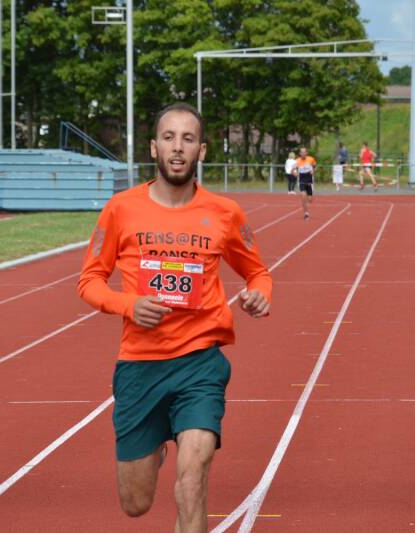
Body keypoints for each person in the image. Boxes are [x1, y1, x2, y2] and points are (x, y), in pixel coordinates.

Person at [77, 102, 272, 533]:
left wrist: (259, 294)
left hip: (200, 363)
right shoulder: (121, 209)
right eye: (169, 138)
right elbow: (89, 281)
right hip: (140, 367)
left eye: (188, 139)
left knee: (192, 479)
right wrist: (129, 305)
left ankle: (185, 440)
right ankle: (159, 442)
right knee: (135, 502)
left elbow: (257, 272)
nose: (178, 148)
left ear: (202, 150)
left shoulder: (225, 213)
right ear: (154, 148)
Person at [295, 147, 316, 220]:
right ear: (300, 153)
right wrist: (295, 173)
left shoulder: (311, 159)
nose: (303, 153)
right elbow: (293, 170)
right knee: (303, 196)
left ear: (306, 153)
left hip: (309, 181)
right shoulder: (297, 161)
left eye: (304, 152)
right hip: (301, 180)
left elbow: (314, 166)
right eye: (301, 152)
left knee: (310, 200)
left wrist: (313, 171)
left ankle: (308, 198)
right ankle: (306, 213)